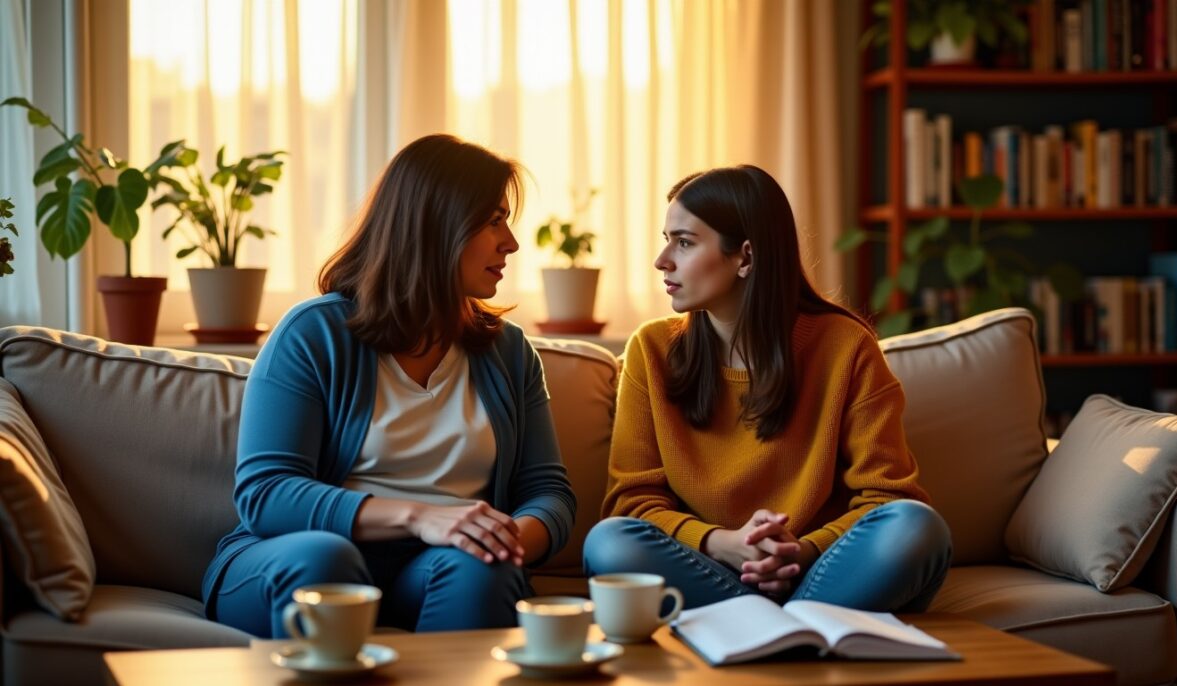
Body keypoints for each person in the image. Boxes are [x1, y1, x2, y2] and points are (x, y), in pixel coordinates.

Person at [202, 134, 577, 637]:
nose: (510, 242)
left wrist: (500, 538)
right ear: (435, 226)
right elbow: (265, 494)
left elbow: (548, 492)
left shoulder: (508, 353)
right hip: (292, 559)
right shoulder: (313, 334)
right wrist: (421, 517)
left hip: (432, 569)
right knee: (323, 557)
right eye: (493, 221)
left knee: (483, 567)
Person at [582, 165, 950, 612]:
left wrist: (801, 551)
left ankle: (763, 628)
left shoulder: (846, 348)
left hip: (820, 568)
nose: (662, 260)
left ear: (746, 257)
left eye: (684, 242)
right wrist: (723, 543)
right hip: (706, 565)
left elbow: (888, 497)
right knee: (610, 542)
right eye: (667, 239)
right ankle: (796, 630)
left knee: (917, 526)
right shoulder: (652, 350)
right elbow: (632, 503)